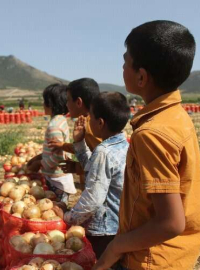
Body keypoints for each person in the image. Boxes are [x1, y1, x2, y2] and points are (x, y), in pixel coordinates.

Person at [94, 20, 200, 270]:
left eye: (125, 62)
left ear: (141, 76)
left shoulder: (152, 134)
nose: (122, 68)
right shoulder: (176, 116)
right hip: (174, 256)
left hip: (148, 259)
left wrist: (116, 246)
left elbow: (170, 222)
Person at [52, 92, 129, 259]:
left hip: (103, 230)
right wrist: (79, 142)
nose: (87, 121)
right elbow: (92, 168)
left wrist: (68, 217)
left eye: (90, 117)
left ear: (100, 123)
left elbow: (93, 198)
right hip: (120, 225)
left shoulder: (104, 151)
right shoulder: (123, 145)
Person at [27, 84, 76, 203]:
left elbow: (58, 156)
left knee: (57, 208)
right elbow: (57, 150)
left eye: (45, 101)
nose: (43, 104)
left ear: (51, 104)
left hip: (57, 178)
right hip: (59, 175)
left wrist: (40, 163)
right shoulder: (61, 120)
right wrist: (40, 156)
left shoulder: (54, 126)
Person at [48, 78, 102, 180]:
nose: (66, 104)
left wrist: (77, 167)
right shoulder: (92, 121)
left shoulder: (90, 127)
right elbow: (88, 148)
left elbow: (101, 163)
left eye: (68, 100)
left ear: (78, 102)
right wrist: (63, 146)